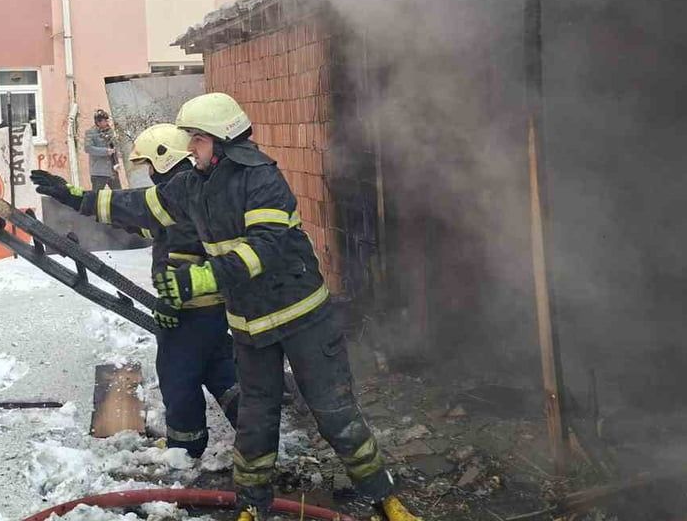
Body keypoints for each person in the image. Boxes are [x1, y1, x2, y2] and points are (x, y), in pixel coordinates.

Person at [33, 93, 420, 521]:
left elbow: (265, 249)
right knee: (255, 421)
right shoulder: (193, 184)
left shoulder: (262, 181)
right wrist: (74, 197)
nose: (190, 149)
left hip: (302, 319)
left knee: (334, 412)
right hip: (251, 326)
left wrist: (197, 279)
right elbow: (142, 206)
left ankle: (384, 496)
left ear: (220, 142)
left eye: (196, 140)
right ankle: (253, 507)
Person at [33, 124, 239, 457]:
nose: (149, 174)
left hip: (188, 307)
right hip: (213, 309)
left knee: (178, 376)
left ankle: (185, 449)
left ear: (164, 158)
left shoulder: (181, 192)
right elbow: (143, 217)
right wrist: (86, 203)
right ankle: (251, 424)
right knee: (218, 366)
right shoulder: (196, 187)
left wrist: (173, 302)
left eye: (149, 166)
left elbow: (180, 249)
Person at [84, 109, 120, 191]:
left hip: (112, 170)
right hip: (99, 171)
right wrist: (106, 151)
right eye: (105, 120)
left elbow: (114, 147)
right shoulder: (90, 132)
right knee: (96, 196)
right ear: (98, 122)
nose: (107, 122)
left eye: (107, 120)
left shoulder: (110, 131)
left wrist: (117, 161)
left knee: (119, 194)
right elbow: (88, 148)